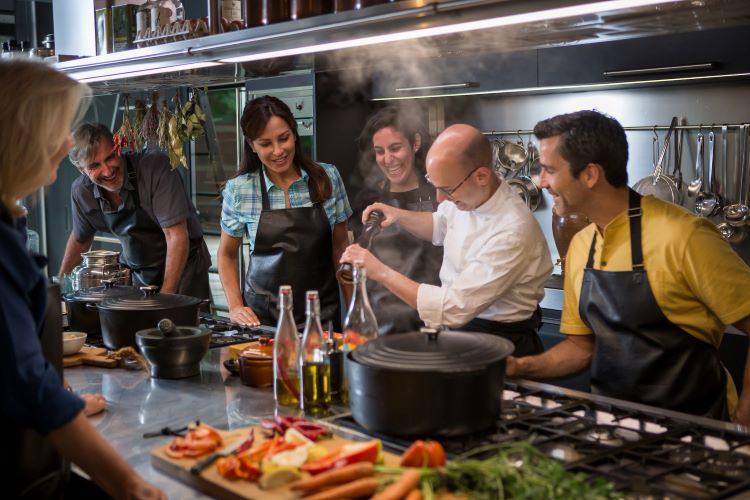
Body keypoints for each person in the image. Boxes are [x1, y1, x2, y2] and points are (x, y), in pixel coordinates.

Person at [506, 110, 750, 425]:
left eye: (550, 170)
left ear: (590, 174)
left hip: (697, 429)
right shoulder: (582, 245)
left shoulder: (686, 237)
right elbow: (582, 348)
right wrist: (519, 368)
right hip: (613, 430)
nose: (542, 182)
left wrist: (743, 424)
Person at [0, 59, 164, 498]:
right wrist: (128, 484)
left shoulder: (9, 221)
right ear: (21, 139)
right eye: (58, 129)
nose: (66, 144)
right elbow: (26, 384)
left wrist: (63, 396)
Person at [341, 124, 552, 356]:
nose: (441, 198)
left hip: (500, 344)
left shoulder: (511, 230)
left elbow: (452, 308)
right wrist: (397, 215)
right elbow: (440, 224)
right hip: (460, 333)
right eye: (435, 186)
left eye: (448, 190)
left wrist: (379, 271)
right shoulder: (473, 194)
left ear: (481, 175)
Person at [218, 96, 352, 328]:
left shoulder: (327, 177)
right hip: (262, 322)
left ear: (294, 133)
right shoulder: (239, 189)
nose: (278, 151)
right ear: (251, 145)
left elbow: (341, 248)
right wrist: (235, 306)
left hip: (321, 316)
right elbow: (226, 254)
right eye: (265, 143)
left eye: (284, 138)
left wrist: (353, 308)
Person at [59, 123, 211, 299]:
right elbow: (80, 239)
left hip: (186, 267)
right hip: (137, 272)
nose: (108, 171)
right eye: (94, 166)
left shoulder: (154, 167)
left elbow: (175, 235)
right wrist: (60, 287)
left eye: (110, 157)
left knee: (183, 323)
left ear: (118, 147)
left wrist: (165, 298)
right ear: (82, 170)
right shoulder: (82, 192)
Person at [350, 106, 442, 334]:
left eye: (395, 148)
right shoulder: (368, 201)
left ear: (415, 143)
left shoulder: (441, 196)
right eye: (379, 151)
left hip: (435, 318)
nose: (387, 159)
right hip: (383, 323)